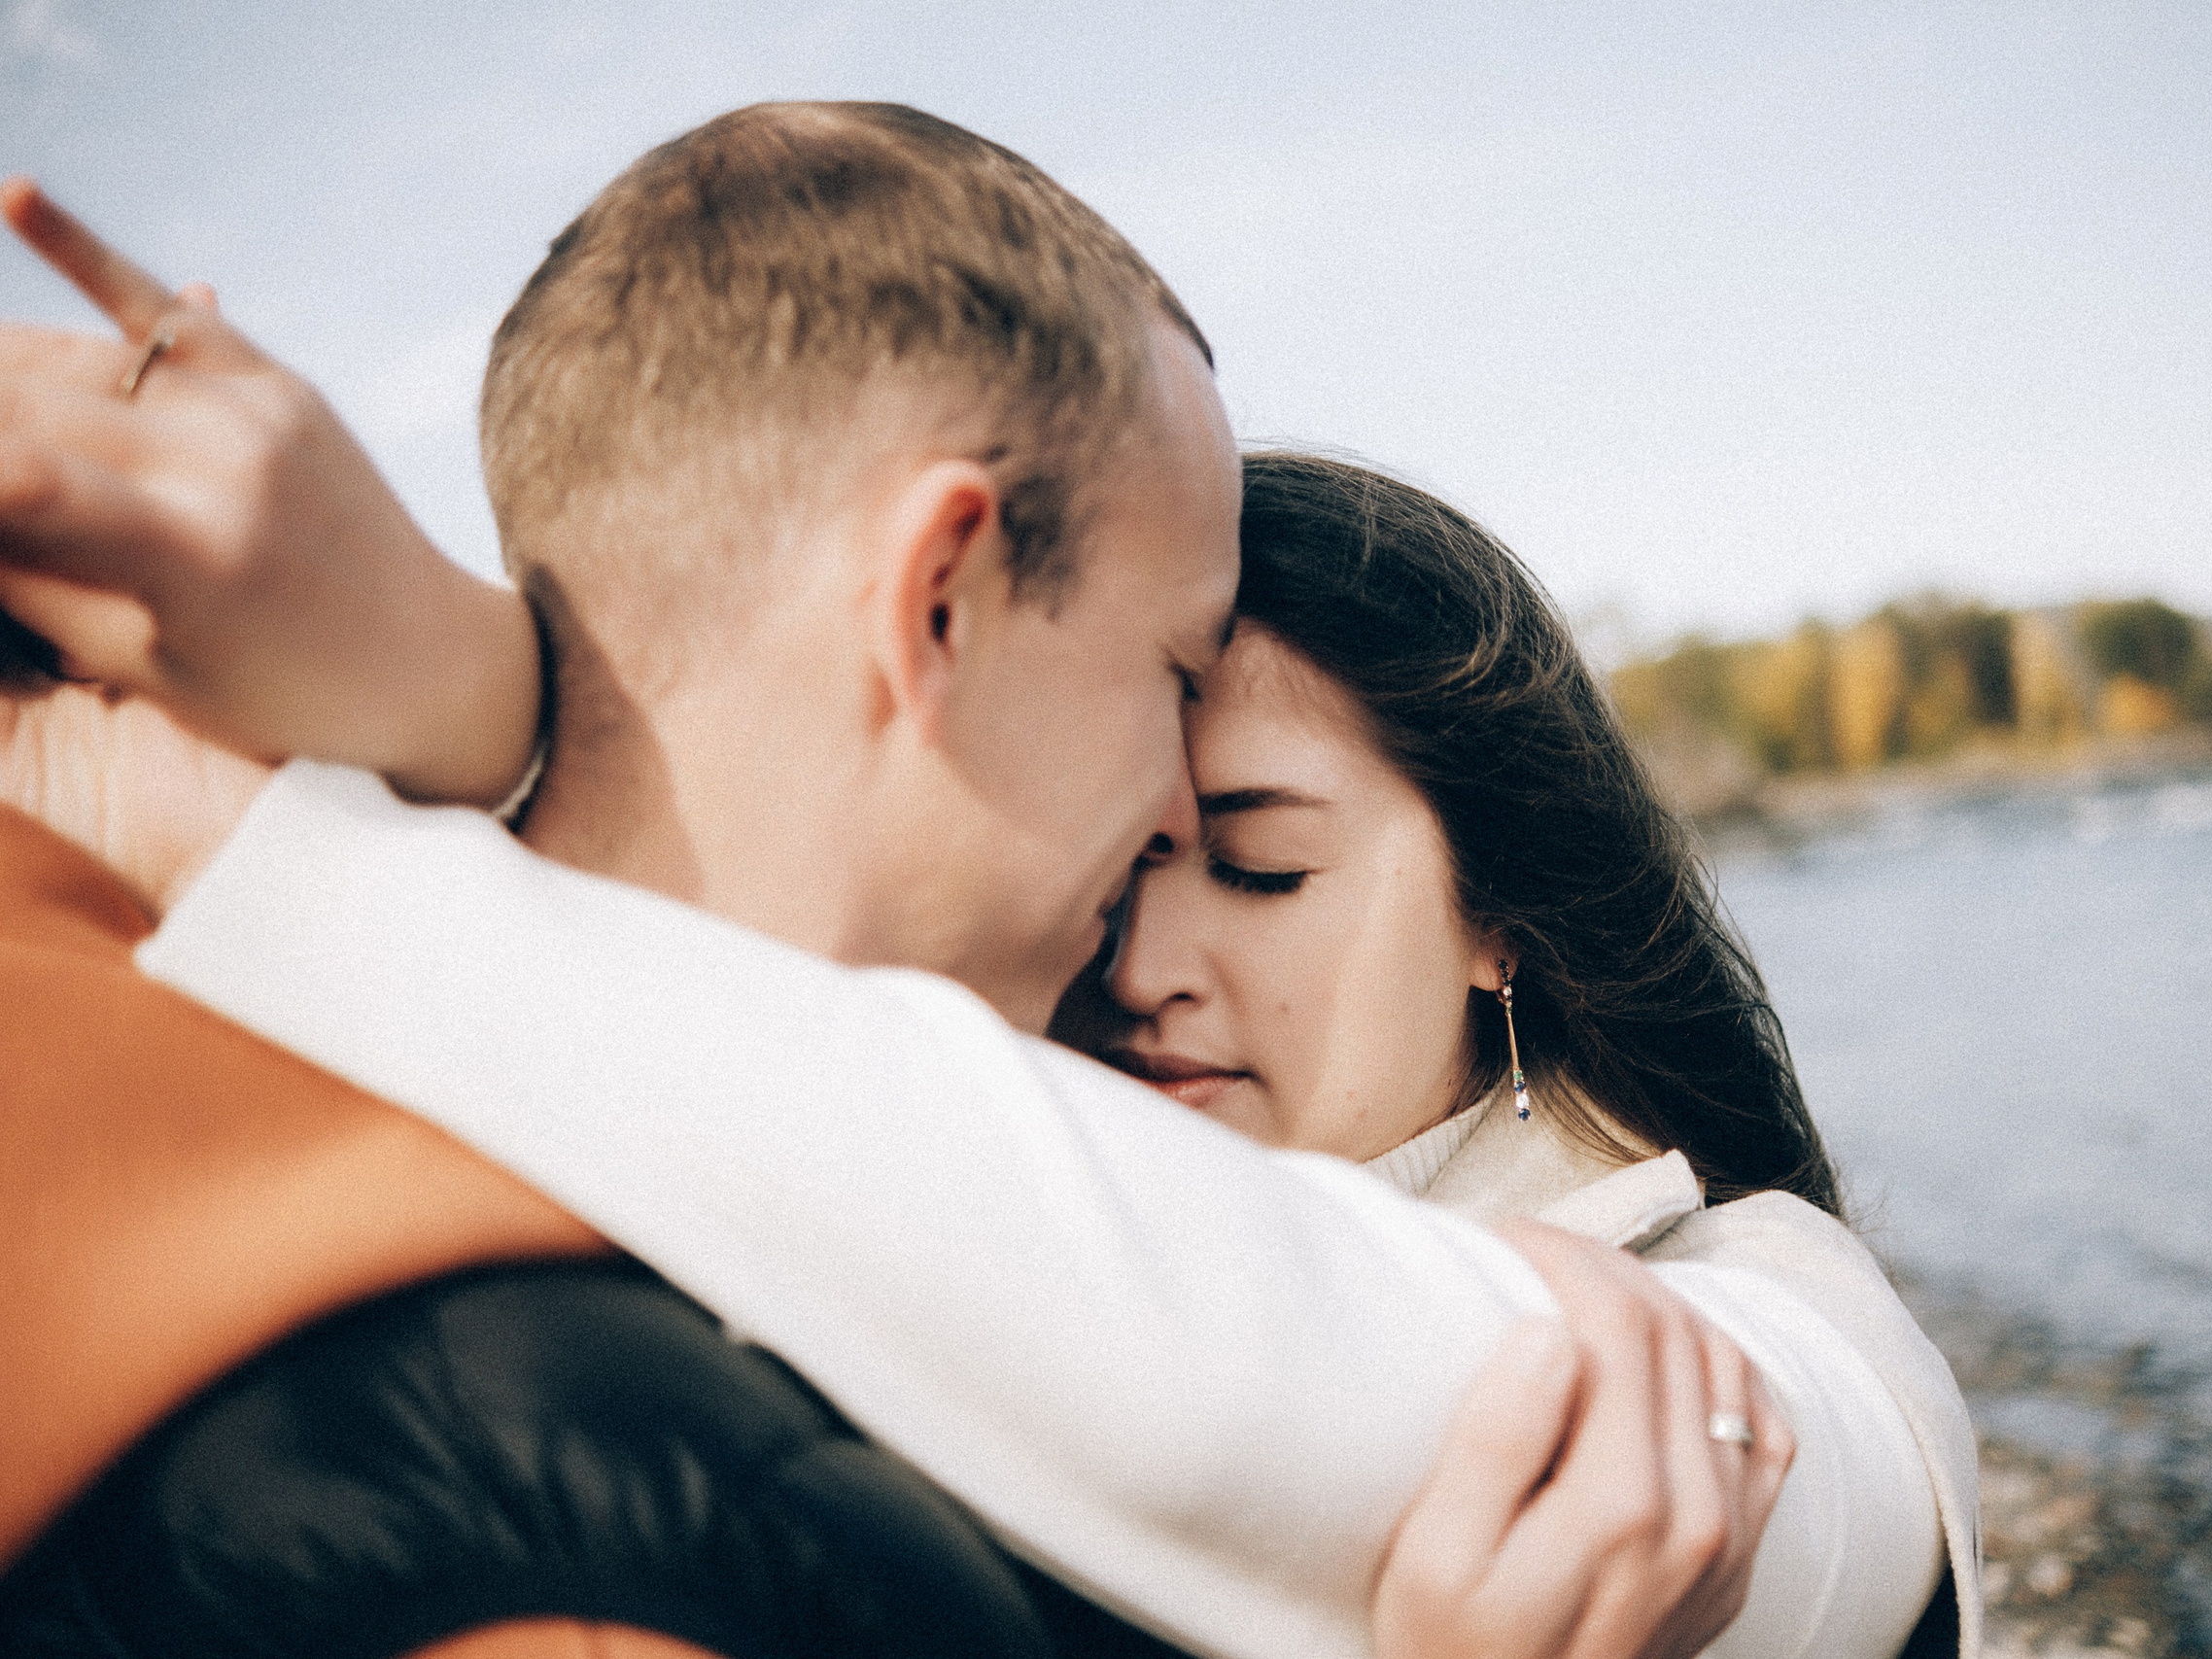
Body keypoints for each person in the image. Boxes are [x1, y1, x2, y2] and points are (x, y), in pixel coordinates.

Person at [0, 105, 1976, 1655]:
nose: (1141, 931)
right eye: (1170, 680)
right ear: (936, 591)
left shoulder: (1769, 1331)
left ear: (1501, 913)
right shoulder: (606, 1408)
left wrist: (429, 735)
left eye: (1266, 860)